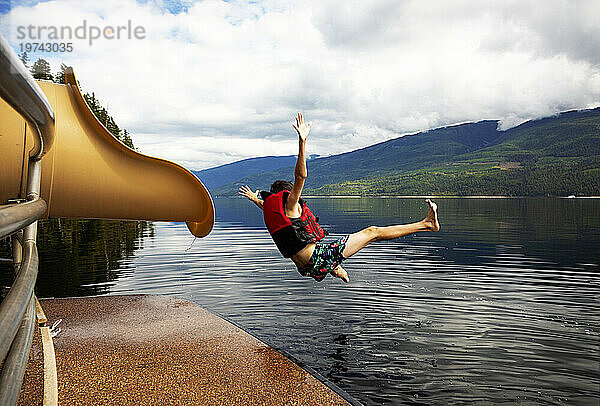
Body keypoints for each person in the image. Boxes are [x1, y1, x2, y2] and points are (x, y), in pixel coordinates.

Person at [239, 112, 440, 283]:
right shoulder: (289, 205)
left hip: (306, 268)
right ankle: (427, 224)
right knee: (373, 232)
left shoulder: (279, 208)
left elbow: (271, 200)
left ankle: (335, 268)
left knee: (337, 249)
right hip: (317, 260)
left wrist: (253, 198)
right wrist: (302, 142)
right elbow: (298, 178)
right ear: (286, 193)